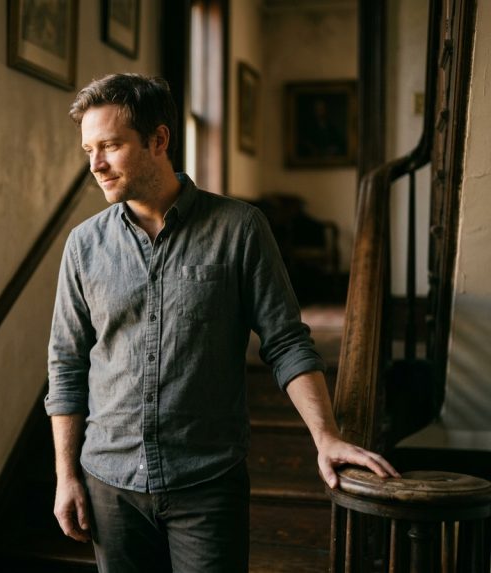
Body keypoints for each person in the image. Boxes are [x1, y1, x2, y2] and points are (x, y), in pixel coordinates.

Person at [45, 73, 398, 573]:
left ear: (159, 140)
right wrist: (66, 475)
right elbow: (66, 363)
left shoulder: (240, 229)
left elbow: (286, 342)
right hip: (109, 486)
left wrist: (327, 436)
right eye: (88, 150)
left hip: (207, 487)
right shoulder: (83, 245)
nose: (95, 165)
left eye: (110, 146)